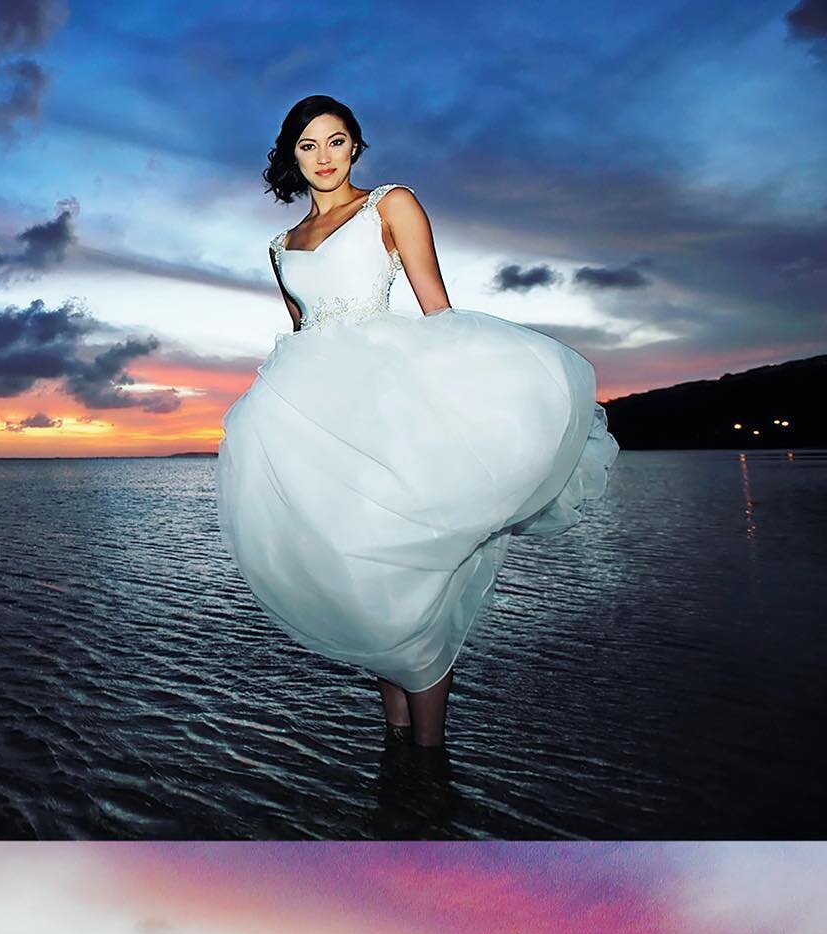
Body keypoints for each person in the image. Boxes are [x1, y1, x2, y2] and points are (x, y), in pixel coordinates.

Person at [216, 94, 619, 750]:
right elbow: (301, 334)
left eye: (337, 141)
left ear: (356, 146)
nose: (324, 156)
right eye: (309, 144)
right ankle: (396, 744)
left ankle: (430, 759)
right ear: (291, 153)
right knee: (367, 581)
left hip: (388, 410)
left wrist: (469, 414)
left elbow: (439, 312)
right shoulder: (280, 246)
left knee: (410, 582)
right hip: (317, 430)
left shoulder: (391, 204)